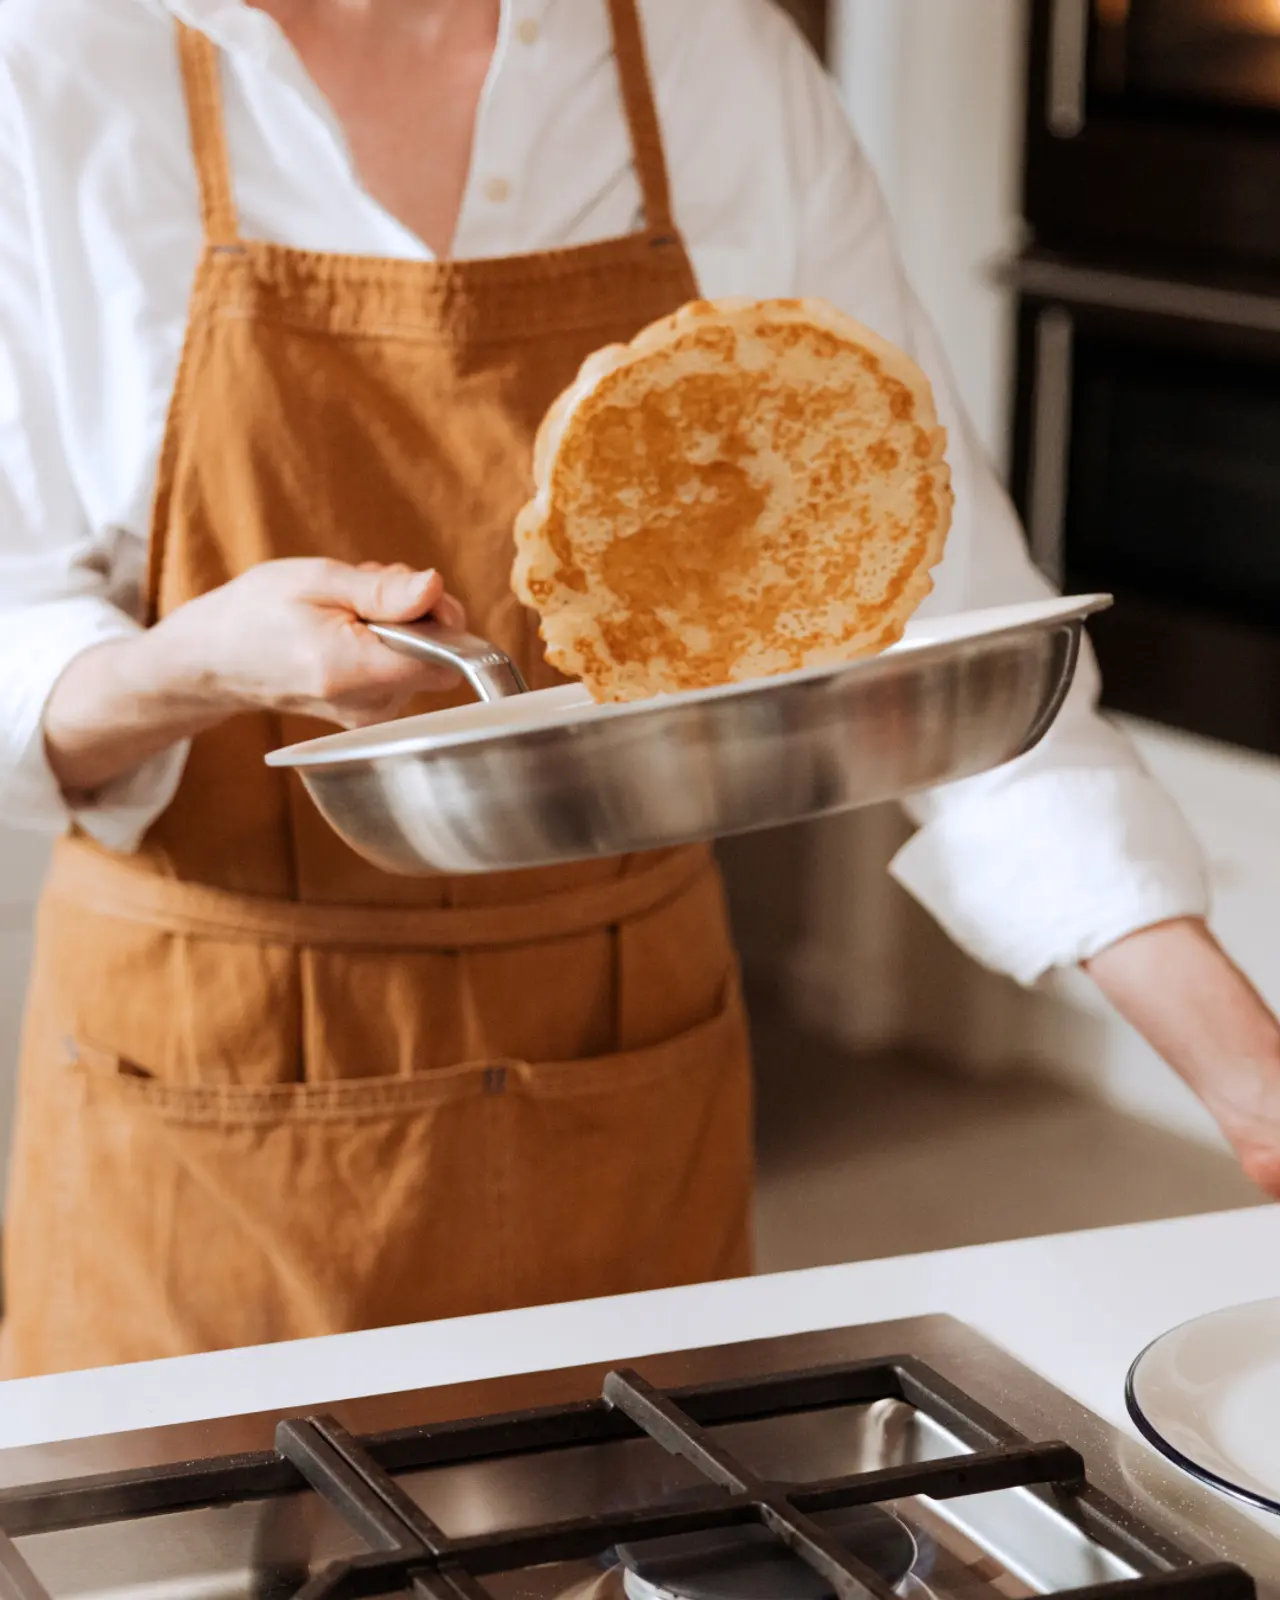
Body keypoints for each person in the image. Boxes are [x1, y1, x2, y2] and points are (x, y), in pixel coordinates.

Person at [0, 0, 1276, 1379]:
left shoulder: (708, 58)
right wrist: (185, 667)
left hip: (625, 1079)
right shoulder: (52, 63)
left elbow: (951, 651)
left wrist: (1251, 1082)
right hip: (205, 1098)